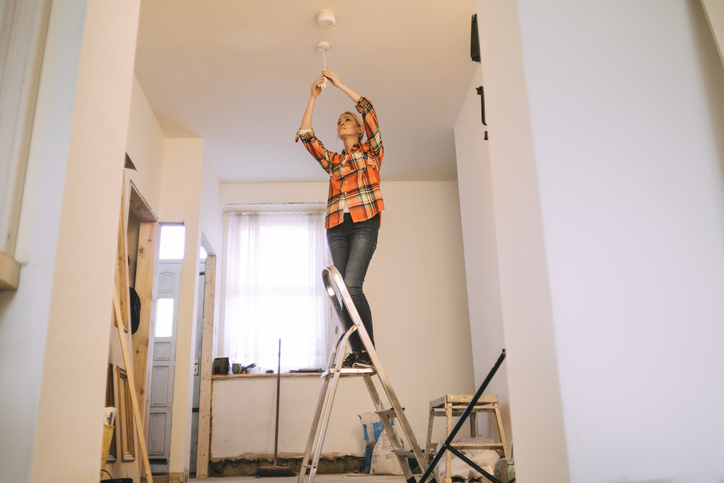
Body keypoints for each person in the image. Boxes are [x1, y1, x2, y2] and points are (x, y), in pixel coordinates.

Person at [296, 68, 384, 368]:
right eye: (338, 122)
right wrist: (312, 97)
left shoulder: (371, 151)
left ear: (359, 130)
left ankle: (368, 352)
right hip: (336, 226)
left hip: (364, 221)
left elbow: (368, 109)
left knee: (352, 286)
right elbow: (307, 137)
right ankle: (358, 353)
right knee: (339, 292)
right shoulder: (335, 162)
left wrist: (339, 84)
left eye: (346, 120)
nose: (341, 123)